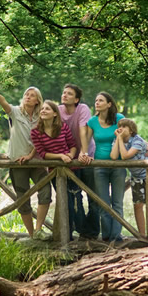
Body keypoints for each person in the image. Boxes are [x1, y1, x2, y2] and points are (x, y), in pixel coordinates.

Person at [0, 80, 49, 238]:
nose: (28, 97)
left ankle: (39, 229)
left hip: (36, 162)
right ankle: (32, 235)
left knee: (46, 191)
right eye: (26, 94)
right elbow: (3, 102)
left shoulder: (40, 117)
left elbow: (41, 139)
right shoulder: (15, 112)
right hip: (17, 163)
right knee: (23, 200)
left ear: (37, 101)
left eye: (32, 95)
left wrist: (31, 155)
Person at [30, 100, 78, 240]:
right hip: (55, 172)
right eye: (42, 109)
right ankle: (65, 236)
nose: (43, 111)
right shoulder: (35, 132)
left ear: (55, 113)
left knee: (76, 202)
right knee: (64, 201)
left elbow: (73, 145)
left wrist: (70, 155)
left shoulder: (63, 127)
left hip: (71, 169)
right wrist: (60, 156)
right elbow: (43, 154)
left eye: (47, 109)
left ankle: (79, 231)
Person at [81, 92, 126, 242]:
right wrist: (84, 153)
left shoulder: (119, 118)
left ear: (109, 104)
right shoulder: (92, 121)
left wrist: (144, 144)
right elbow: (85, 141)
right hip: (99, 166)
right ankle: (106, 237)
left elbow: (131, 135)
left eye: (101, 100)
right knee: (103, 203)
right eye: (96, 100)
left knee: (117, 202)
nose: (97, 103)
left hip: (118, 165)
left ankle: (116, 236)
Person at [58, 83, 99, 240]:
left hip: (87, 155)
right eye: (64, 92)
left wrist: (84, 152)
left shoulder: (83, 109)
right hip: (70, 159)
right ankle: (79, 231)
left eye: (69, 93)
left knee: (93, 196)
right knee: (74, 197)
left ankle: (93, 233)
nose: (65, 95)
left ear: (76, 99)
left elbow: (83, 130)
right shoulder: (59, 110)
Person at [112, 118, 148, 235]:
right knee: (138, 205)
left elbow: (125, 156)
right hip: (136, 176)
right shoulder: (118, 140)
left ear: (131, 131)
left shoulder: (138, 140)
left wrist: (119, 139)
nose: (121, 128)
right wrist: (119, 139)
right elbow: (114, 156)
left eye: (124, 127)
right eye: (120, 126)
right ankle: (142, 236)